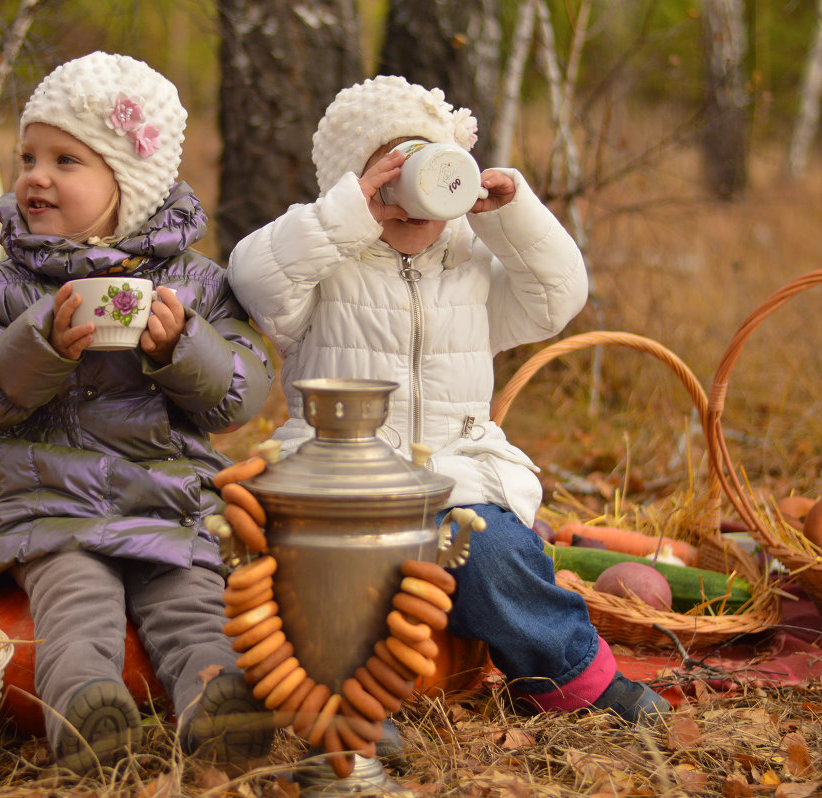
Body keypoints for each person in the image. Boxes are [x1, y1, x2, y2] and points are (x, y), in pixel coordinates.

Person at [226, 75, 670, 735]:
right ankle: (348, 713)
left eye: (428, 182)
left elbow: (559, 295)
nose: (409, 208)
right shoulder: (324, 269)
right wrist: (351, 212)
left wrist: (513, 215)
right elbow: (254, 274)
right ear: (353, 188)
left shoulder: (474, 267)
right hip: (339, 484)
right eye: (389, 187)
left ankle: (573, 675)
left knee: (501, 558)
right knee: (325, 588)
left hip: (456, 480)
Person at [0, 51, 275, 775]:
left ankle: (218, 699)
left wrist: (184, 346)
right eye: (28, 155)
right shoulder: (8, 286)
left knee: (190, 599)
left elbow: (243, 392)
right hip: (47, 508)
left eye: (66, 160)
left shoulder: (199, 284)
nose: (36, 176)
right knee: (76, 602)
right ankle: (87, 711)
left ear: (132, 185)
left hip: (168, 503)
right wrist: (40, 343)